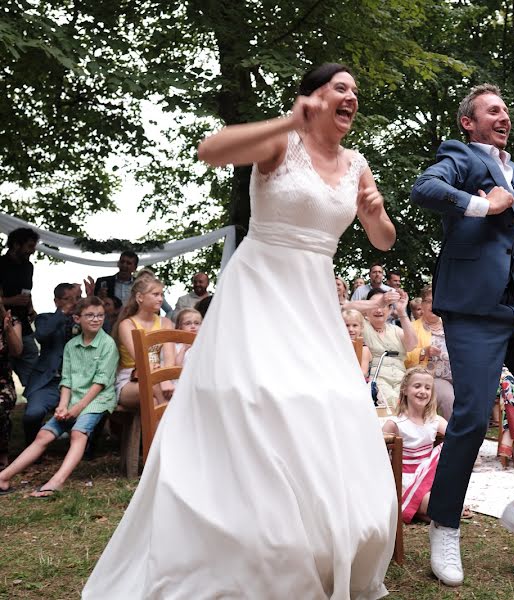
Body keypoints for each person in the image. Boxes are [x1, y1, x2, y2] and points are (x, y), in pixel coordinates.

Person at [83, 63, 397, 599]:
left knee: (329, 403)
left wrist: (374, 214)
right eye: (340, 88)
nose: (351, 98)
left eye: (355, 92)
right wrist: (285, 121)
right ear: (312, 97)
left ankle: (319, 540)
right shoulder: (281, 144)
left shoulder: (357, 164)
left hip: (314, 299)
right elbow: (210, 149)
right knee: (255, 398)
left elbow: (384, 240)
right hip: (260, 289)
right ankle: (247, 540)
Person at [411, 82, 514, 587]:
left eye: (506, 110)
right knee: (471, 416)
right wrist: (486, 206)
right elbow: (425, 190)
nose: (504, 117)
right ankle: (444, 525)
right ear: (469, 122)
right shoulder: (458, 157)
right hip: (473, 309)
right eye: (492, 111)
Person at [0, 296, 118, 498]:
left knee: (78, 433)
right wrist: (63, 406)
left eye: (100, 315)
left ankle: (57, 482)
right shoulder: (71, 345)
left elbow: (100, 383)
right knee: (44, 435)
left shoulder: (108, 345)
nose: (95, 319)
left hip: (96, 399)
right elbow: (67, 380)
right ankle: (3, 477)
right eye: (89, 315)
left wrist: (78, 408)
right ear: (77, 319)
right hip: (73, 399)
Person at [381, 367, 449, 523]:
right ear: (405, 389)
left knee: (446, 501)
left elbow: (455, 438)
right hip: (406, 480)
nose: (423, 391)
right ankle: (420, 508)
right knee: (439, 507)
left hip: (428, 475)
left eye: (427, 388)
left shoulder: (435, 420)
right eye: (417, 386)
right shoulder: (395, 424)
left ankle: (420, 510)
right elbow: (378, 455)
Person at [23, 283, 79, 446]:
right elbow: (41, 335)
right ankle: (32, 449)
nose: (73, 303)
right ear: (57, 301)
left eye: (76, 298)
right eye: (67, 299)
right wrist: (63, 313)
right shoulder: (45, 318)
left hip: (77, 382)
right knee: (32, 414)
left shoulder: (83, 320)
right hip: (48, 382)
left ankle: (86, 451)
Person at [112, 275, 176, 410]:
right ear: (140, 297)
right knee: (156, 388)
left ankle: (159, 429)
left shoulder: (165, 323)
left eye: (162, 295)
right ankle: (170, 425)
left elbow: (170, 358)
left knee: (154, 400)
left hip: (158, 375)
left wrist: (164, 378)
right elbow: (142, 360)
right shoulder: (127, 324)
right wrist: (162, 379)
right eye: (155, 294)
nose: (160, 299)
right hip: (130, 379)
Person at [362, 288, 416, 411]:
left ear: (390, 309)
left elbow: (412, 345)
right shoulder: (360, 325)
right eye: (375, 305)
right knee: (393, 402)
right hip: (377, 380)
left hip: (401, 379)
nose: (379, 309)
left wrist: (402, 312)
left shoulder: (395, 330)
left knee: (413, 399)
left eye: (384, 305)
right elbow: (346, 310)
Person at [405, 285, 454, 418]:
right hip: (433, 377)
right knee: (449, 398)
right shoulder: (413, 327)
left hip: (459, 375)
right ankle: (451, 436)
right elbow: (406, 357)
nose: (434, 305)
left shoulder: (452, 324)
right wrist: (424, 352)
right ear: (422, 304)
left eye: (437, 300)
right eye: (429, 301)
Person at [0, 227, 40, 388]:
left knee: (31, 360)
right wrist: (12, 300)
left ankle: (35, 400)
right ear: (16, 245)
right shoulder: (0, 264)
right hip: (3, 324)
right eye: (30, 246)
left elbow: (27, 292)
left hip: (23, 324)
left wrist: (31, 308)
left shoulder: (28, 266)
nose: (33, 251)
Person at [0, 304, 23, 470]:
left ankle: (2, 457)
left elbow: (17, 351)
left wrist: (7, 329)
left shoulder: (12, 321)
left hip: (3, 384)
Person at [342, 308, 372, 377]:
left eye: (355, 325)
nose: (350, 329)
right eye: (347, 325)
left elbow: (363, 372)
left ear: (361, 328)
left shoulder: (364, 349)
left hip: (358, 381)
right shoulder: (340, 345)